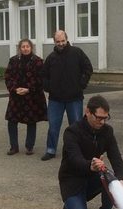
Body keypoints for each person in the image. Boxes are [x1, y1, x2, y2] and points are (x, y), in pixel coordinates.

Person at [58, 95, 123, 209]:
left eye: (105, 118)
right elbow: (75, 159)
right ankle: (69, 208)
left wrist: (121, 180)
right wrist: (91, 165)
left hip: (93, 176)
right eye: (98, 117)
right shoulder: (72, 132)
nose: (102, 122)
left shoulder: (107, 132)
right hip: (72, 179)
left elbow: (116, 157)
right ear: (87, 112)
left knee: (112, 181)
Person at [41, 30, 93, 161]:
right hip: (55, 99)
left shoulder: (77, 53)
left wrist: (81, 84)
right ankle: (50, 150)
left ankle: (76, 151)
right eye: (58, 41)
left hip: (74, 98)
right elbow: (43, 75)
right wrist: (48, 87)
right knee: (53, 126)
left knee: (76, 127)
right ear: (54, 42)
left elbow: (88, 68)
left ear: (67, 39)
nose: (61, 44)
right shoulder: (51, 58)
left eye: (62, 41)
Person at [3, 38, 47, 156]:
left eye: (27, 46)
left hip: (32, 97)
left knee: (31, 122)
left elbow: (40, 79)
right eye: (23, 47)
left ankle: (29, 146)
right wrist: (15, 89)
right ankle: (14, 146)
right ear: (19, 48)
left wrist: (28, 89)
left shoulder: (38, 61)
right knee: (11, 121)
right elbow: (8, 77)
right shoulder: (13, 61)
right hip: (16, 96)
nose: (25, 49)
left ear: (31, 47)